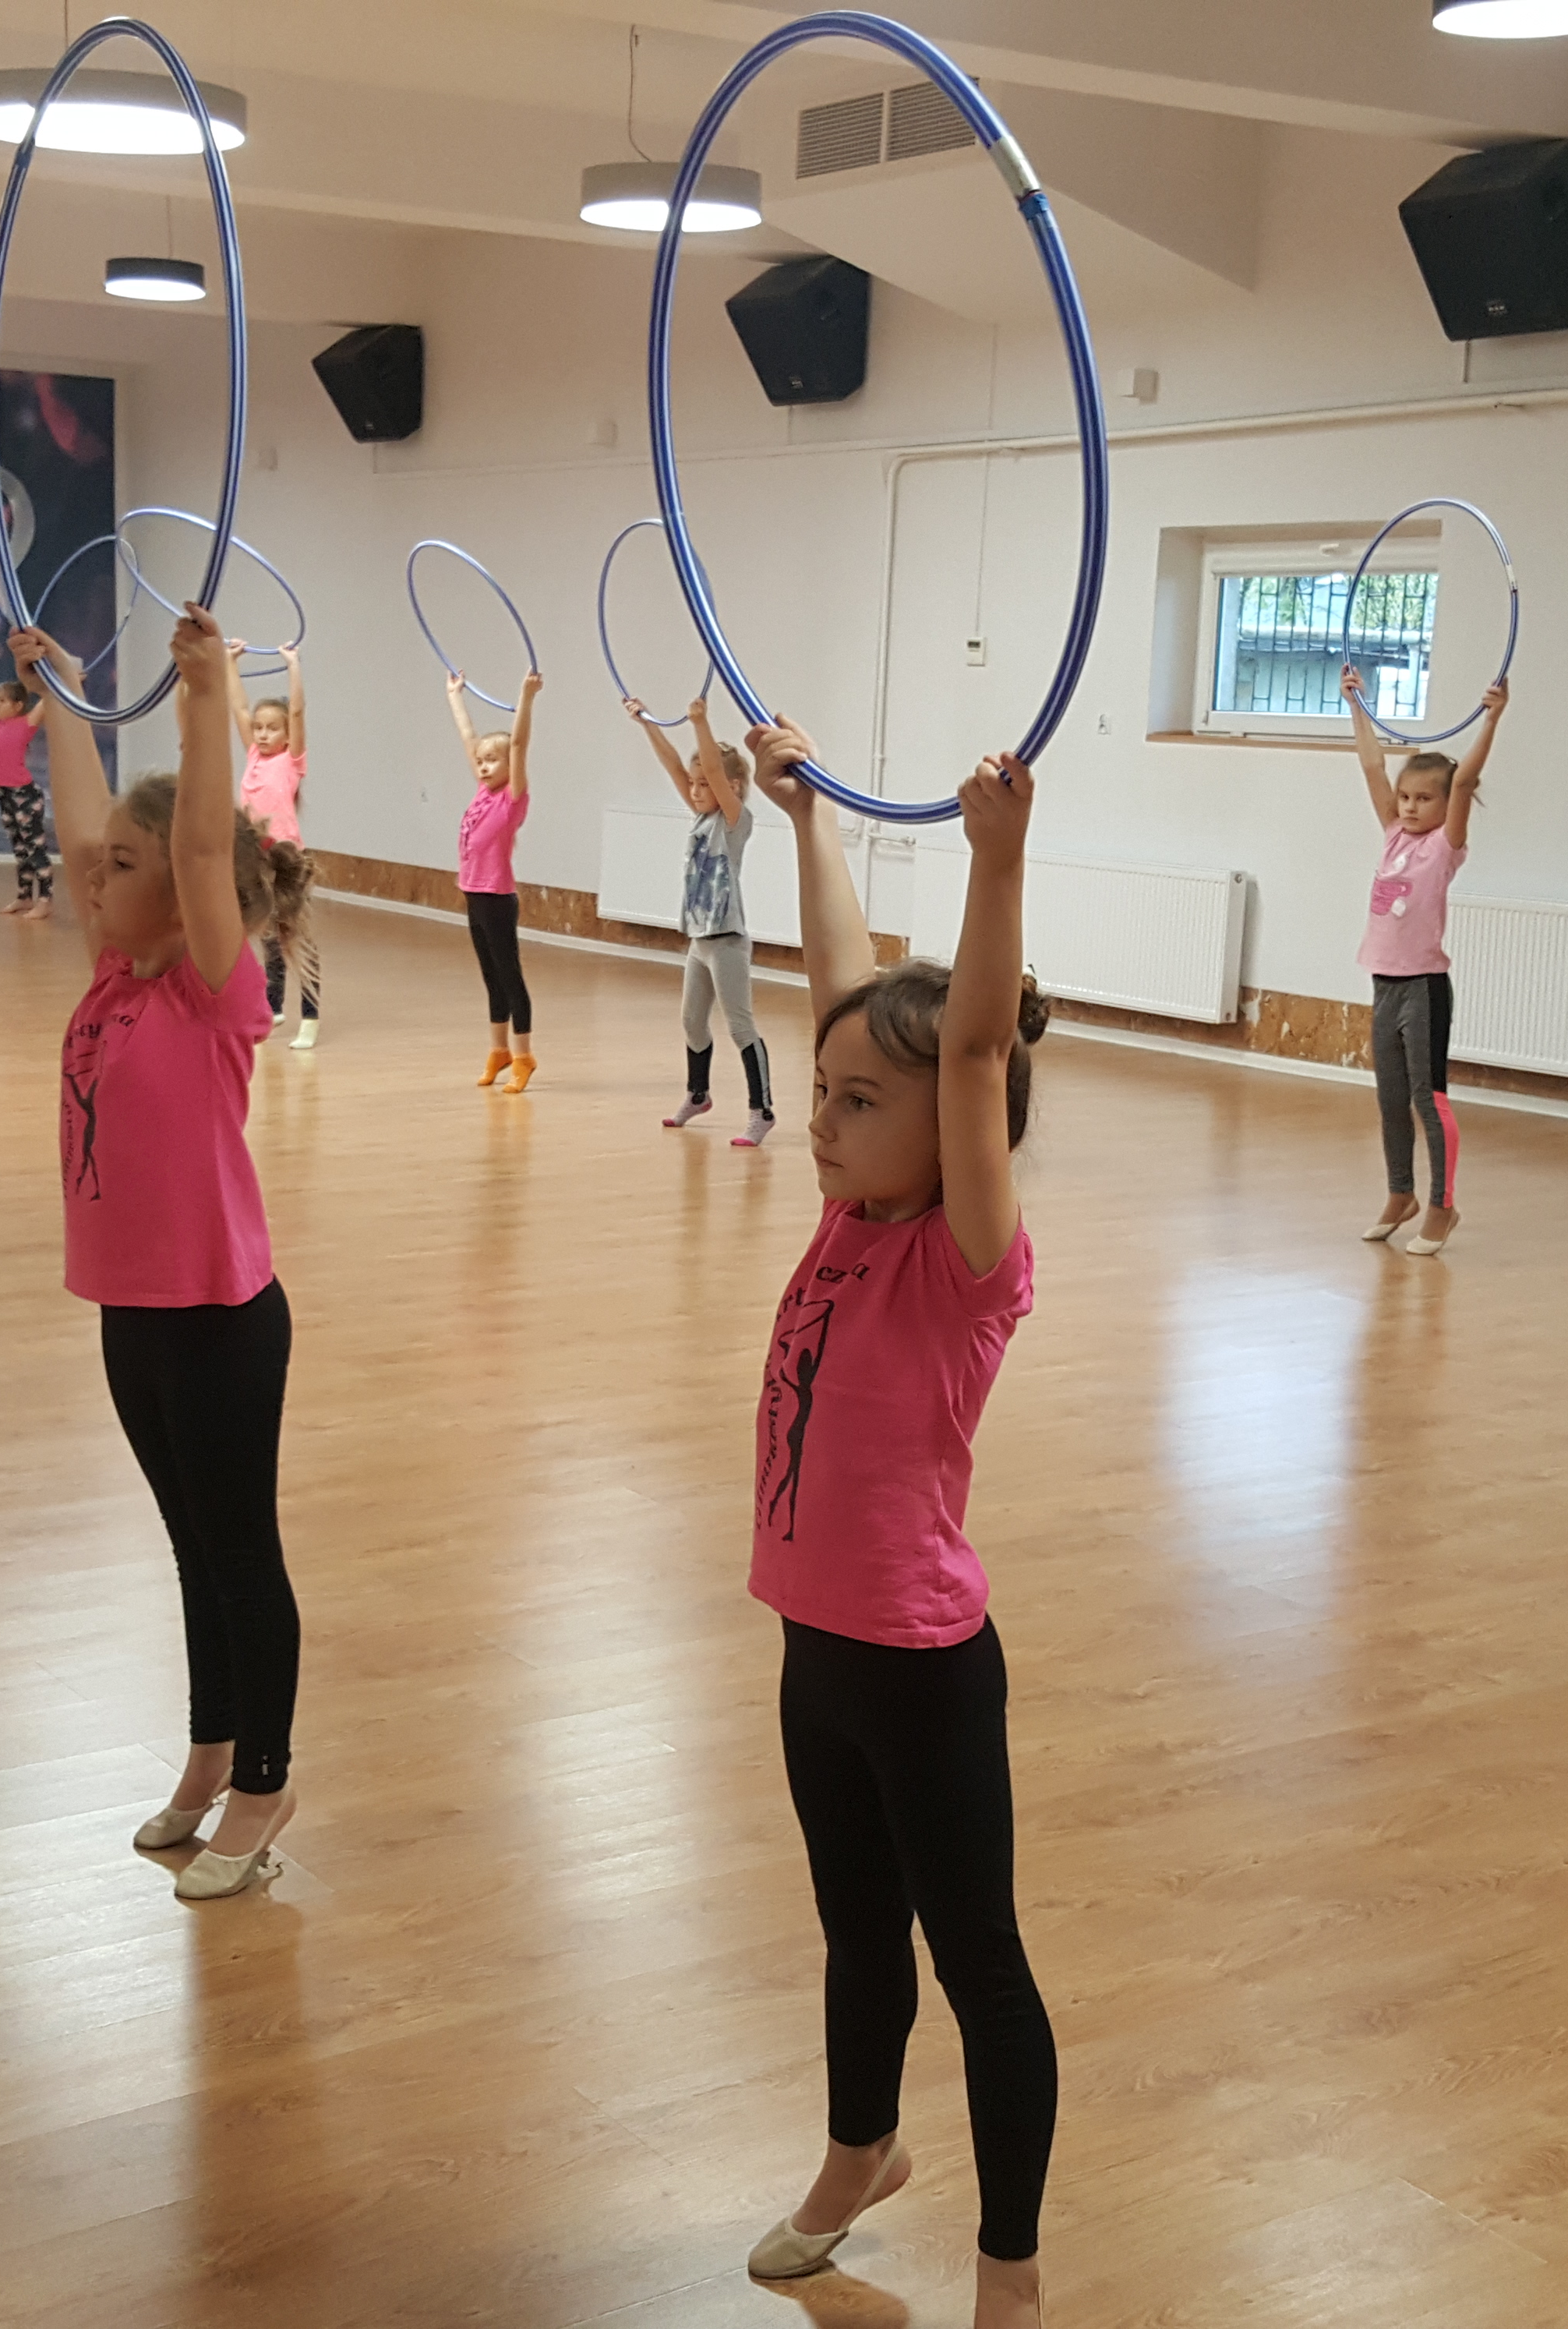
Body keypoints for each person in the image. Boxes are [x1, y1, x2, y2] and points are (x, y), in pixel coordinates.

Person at [735, 718, 1058, 2329]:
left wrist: (997, 860)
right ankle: (860, 2150)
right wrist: (807, 820)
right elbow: (841, 989)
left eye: (859, 1103)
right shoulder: (848, 1213)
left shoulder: (958, 1261)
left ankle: (1009, 2271)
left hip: (922, 1668)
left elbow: (973, 1052)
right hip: (816, 1648)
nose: (823, 1118)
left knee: (972, 1960)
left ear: (953, 1136)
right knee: (853, 1935)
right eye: (822, 1094)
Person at [36, 608, 319, 1905]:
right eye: (103, 865)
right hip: (131, 1311)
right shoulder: (113, 973)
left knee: (238, 1548)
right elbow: (81, 831)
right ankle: (210, 1748)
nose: (96, 878)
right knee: (188, 1544)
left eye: (124, 864)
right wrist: (62, 694)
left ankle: (265, 1778)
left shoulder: (214, 989)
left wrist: (209, 693)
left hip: (217, 1317)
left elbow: (205, 842)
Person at [1339, 670, 1504, 1253]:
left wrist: (1492, 718)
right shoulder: (1393, 835)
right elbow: (1371, 767)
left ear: (1445, 803)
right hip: (1384, 984)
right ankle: (1400, 1193)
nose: (1409, 806)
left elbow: (1467, 781)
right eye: (1406, 797)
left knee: (1428, 1101)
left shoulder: (1443, 847)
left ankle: (1442, 1205)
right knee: (1390, 1100)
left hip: (1424, 989)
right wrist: (1356, 706)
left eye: (1424, 798)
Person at [628, 691, 771, 1143]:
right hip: (700, 942)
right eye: (694, 784)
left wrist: (701, 724)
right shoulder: (701, 817)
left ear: (732, 787)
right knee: (692, 1022)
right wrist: (648, 723)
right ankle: (698, 1094)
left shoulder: (735, 821)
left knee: (740, 1026)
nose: (695, 789)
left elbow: (711, 767)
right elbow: (675, 766)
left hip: (727, 941)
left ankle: (762, 1110)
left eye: (705, 784)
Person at [448, 667, 540, 1090]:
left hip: (497, 898)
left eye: (492, 761)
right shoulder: (483, 791)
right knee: (490, 977)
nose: (483, 767)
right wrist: (455, 696)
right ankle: (498, 1050)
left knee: (510, 977)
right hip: (473, 894)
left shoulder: (511, 799)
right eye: (481, 762)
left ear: (509, 766)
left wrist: (526, 696)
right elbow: (469, 738)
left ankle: (524, 1056)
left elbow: (519, 745)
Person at [240, 648, 320, 1048]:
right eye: (258, 728)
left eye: (272, 728)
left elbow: (299, 712)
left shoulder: (291, 762)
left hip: (289, 860)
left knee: (297, 938)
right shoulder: (254, 757)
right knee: (268, 935)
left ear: (287, 735)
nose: (262, 734)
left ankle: (311, 1015)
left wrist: (293, 666)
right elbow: (238, 708)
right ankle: (273, 1007)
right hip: (258, 858)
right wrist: (230, 662)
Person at [0, 670, 58, 920]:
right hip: (3, 794)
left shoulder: (25, 724)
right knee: (20, 848)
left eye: (3, 701)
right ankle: (25, 896)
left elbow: (47, 700)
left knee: (35, 848)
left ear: (18, 706)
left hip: (23, 796)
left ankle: (45, 900)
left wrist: (59, 679)